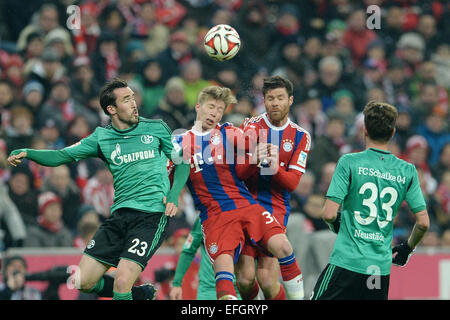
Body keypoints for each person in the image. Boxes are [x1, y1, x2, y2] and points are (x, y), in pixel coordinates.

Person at [8, 78, 190, 300]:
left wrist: (173, 196)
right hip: (119, 217)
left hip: (151, 215)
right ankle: (139, 295)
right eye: (126, 99)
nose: (134, 103)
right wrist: (28, 152)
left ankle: (130, 292)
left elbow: (182, 162)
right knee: (82, 281)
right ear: (111, 109)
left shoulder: (156, 128)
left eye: (133, 97)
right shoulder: (101, 138)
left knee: (122, 281)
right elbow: (61, 155)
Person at [172, 85, 303, 300]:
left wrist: (256, 153)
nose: (215, 113)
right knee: (234, 276)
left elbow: (246, 160)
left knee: (284, 247)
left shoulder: (228, 132)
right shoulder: (178, 141)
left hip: (246, 206)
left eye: (220, 109)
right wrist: (171, 196)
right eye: (211, 107)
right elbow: (168, 175)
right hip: (215, 216)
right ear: (198, 107)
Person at [311, 101, 430, 300]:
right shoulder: (407, 170)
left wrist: (336, 224)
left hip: (346, 262)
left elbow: (329, 213)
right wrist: (408, 248)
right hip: (378, 270)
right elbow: (424, 223)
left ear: (364, 130)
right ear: (392, 133)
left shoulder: (349, 162)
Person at [234, 75, 311, 300]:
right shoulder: (250, 126)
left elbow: (293, 183)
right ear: (264, 101)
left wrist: (275, 168)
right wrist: (252, 160)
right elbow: (237, 172)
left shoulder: (300, 136)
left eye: (279, 98)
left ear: (290, 100)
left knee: (267, 280)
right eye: (270, 98)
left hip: (274, 207)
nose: (275, 103)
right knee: (245, 280)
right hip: (246, 204)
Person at [169, 216, 241, 300]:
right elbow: (188, 251)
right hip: (209, 290)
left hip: (238, 290)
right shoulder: (204, 218)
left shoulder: (246, 215)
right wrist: (177, 284)